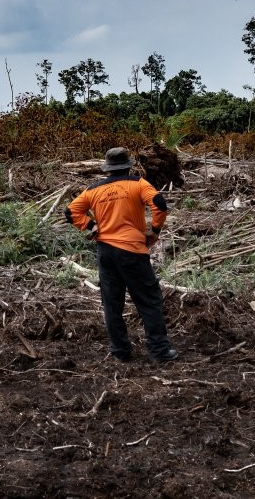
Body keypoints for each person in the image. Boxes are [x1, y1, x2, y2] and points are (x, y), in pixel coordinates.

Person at [66, 147, 179, 362]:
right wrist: (154, 231)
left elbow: (70, 211)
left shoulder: (93, 190)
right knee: (149, 300)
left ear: (107, 168)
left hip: (106, 253)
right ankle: (159, 351)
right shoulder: (137, 183)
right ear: (129, 165)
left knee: (112, 303)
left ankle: (121, 351)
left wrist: (90, 226)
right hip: (132, 252)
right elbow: (159, 204)